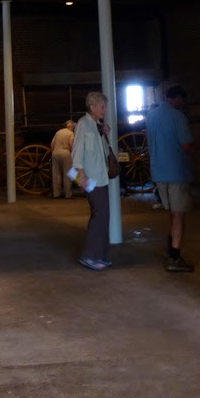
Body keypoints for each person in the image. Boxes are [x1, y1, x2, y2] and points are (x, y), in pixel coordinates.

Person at [145, 84, 196, 273]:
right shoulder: (178, 116)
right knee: (179, 215)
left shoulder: (150, 116)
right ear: (178, 99)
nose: (183, 104)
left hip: (158, 171)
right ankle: (175, 256)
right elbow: (186, 145)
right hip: (176, 172)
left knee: (172, 214)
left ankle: (170, 250)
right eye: (182, 101)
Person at [71, 91, 114, 271]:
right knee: (101, 215)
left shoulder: (97, 125)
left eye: (105, 106)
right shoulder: (83, 124)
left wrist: (105, 134)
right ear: (92, 107)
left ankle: (99, 255)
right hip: (90, 177)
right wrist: (81, 174)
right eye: (102, 106)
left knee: (102, 215)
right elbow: (77, 150)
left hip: (100, 176)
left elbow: (103, 153)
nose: (105, 109)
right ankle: (89, 256)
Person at [49, 120, 76, 198]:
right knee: (67, 174)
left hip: (55, 153)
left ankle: (56, 194)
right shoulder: (71, 134)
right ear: (71, 127)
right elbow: (72, 145)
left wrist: (52, 153)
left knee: (56, 174)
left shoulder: (58, 132)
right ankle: (68, 194)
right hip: (65, 153)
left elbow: (52, 144)